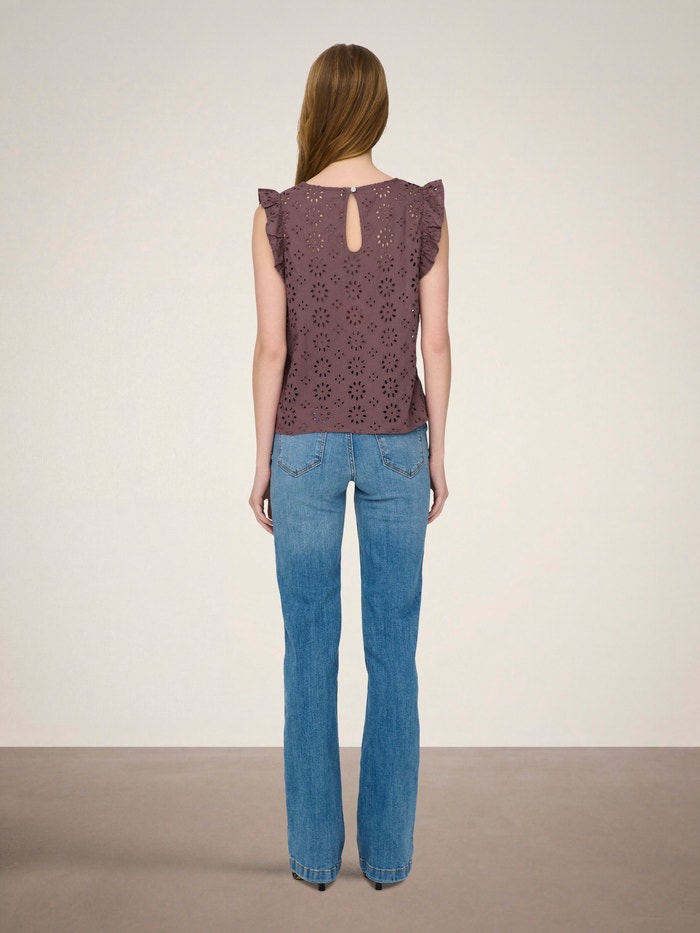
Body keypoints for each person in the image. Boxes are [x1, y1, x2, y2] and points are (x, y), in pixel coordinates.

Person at [249, 43, 450, 891]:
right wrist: (441, 449)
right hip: (400, 439)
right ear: (377, 107)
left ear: (316, 107)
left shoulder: (279, 215)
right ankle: (390, 857)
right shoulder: (422, 210)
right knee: (394, 651)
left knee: (308, 650)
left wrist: (261, 459)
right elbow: (436, 343)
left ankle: (313, 857)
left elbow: (272, 348)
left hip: (303, 444)